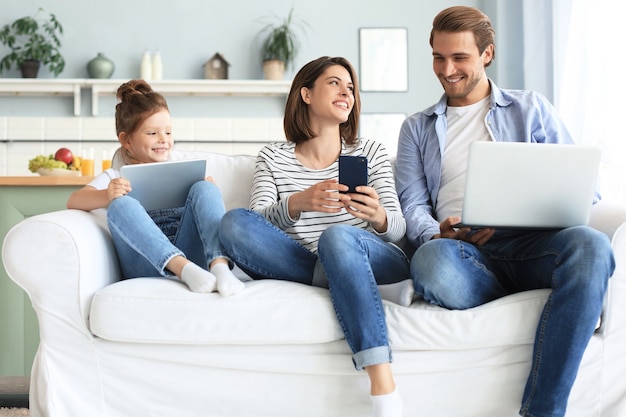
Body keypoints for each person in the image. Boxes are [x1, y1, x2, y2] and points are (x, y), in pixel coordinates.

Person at [394, 6, 616, 417]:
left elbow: (585, 188)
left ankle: (542, 411)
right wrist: (437, 233)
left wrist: (540, 212)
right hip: (462, 252)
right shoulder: (416, 128)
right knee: (430, 263)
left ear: (487, 55)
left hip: (533, 243)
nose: (448, 69)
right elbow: (412, 204)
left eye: (460, 57)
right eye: (439, 58)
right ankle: (506, 291)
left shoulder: (531, 108)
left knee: (591, 245)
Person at [219, 56, 411, 417]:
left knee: (338, 238)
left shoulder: (369, 152)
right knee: (232, 223)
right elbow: (254, 223)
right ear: (305, 94)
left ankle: (382, 384)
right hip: (305, 261)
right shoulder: (273, 158)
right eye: (335, 83)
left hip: (373, 257)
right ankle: (340, 280)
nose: (347, 93)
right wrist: (297, 203)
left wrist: (379, 216)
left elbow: (399, 233)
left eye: (351, 87)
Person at [67, 79, 244, 297]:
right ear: (127, 141)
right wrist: (107, 194)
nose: (163, 140)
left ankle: (220, 268)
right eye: (152, 133)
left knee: (205, 188)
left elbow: (205, 213)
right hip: (145, 263)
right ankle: (181, 268)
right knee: (120, 204)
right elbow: (74, 200)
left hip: (196, 263)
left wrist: (210, 192)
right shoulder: (115, 175)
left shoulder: (182, 171)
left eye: (168, 133)